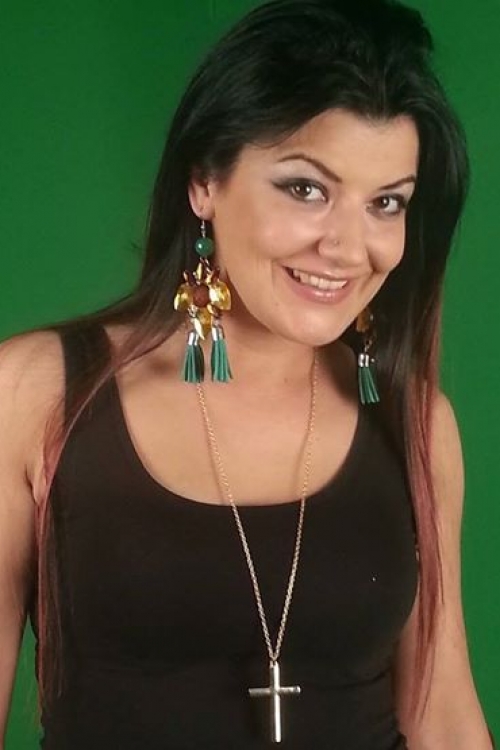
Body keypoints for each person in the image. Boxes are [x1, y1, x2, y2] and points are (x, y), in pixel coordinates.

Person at [0, 0, 495, 747]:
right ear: (205, 180)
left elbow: (444, 714)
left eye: (387, 202)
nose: (348, 247)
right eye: (306, 189)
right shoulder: (37, 393)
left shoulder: (417, 421)